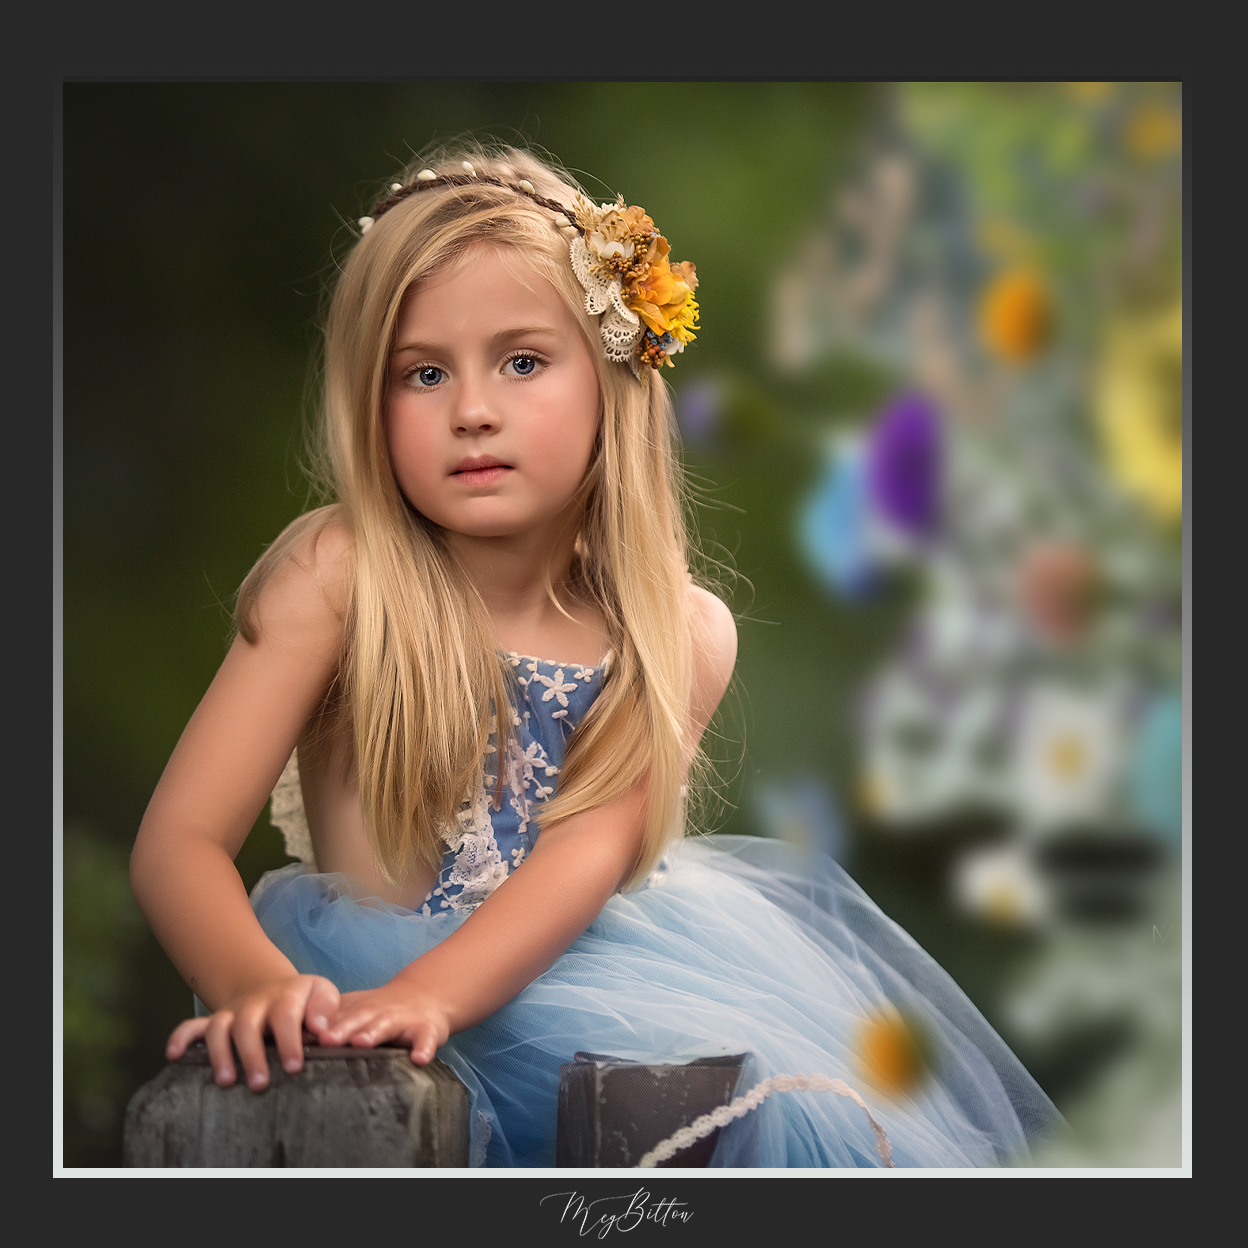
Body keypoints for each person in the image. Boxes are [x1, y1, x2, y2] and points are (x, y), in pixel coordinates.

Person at [130, 143, 1065, 1168]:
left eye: (523, 361)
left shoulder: (675, 633)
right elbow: (180, 840)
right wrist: (255, 984)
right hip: (359, 980)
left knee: (771, 1113)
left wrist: (432, 993)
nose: (473, 408)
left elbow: (581, 856)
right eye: (423, 373)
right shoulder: (342, 576)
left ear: (616, 375)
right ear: (370, 399)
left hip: (582, 988)